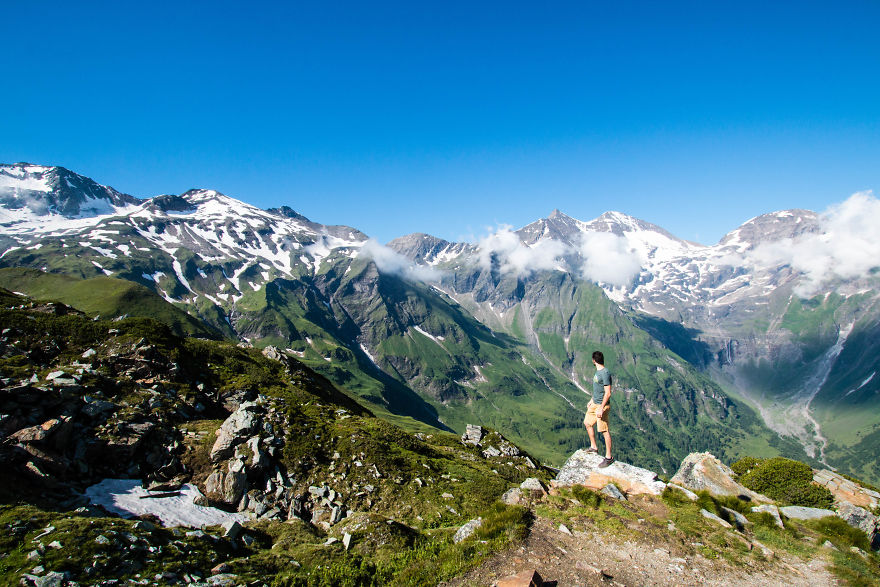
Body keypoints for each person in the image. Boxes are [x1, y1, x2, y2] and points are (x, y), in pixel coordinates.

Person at [583, 350, 614, 468]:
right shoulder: (598, 372)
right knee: (587, 423)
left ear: (594, 360)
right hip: (595, 403)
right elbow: (598, 389)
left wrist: (601, 408)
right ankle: (594, 447)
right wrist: (592, 400)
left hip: (602, 406)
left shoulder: (605, 373)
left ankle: (609, 457)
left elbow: (608, 393)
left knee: (604, 431)